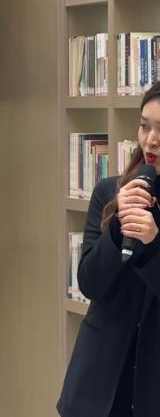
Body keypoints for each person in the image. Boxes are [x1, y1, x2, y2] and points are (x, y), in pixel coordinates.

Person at [58, 82, 160, 417]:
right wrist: (117, 227)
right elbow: (90, 283)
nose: (151, 140)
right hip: (98, 383)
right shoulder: (109, 193)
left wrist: (153, 244)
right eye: (144, 126)